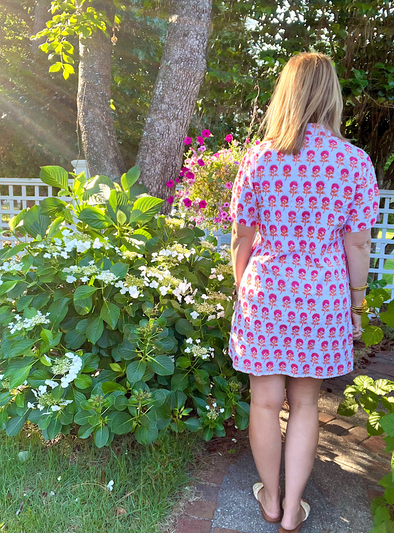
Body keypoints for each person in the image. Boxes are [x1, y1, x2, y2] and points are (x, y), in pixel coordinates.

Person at [228, 52, 380, 533]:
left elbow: (242, 238)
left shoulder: (261, 156)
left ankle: (270, 500)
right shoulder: (353, 162)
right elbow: (356, 242)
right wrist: (358, 304)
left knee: (264, 402)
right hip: (321, 298)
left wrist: (241, 290)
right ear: (331, 94)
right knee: (307, 404)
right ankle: (293, 508)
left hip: (266, 294)